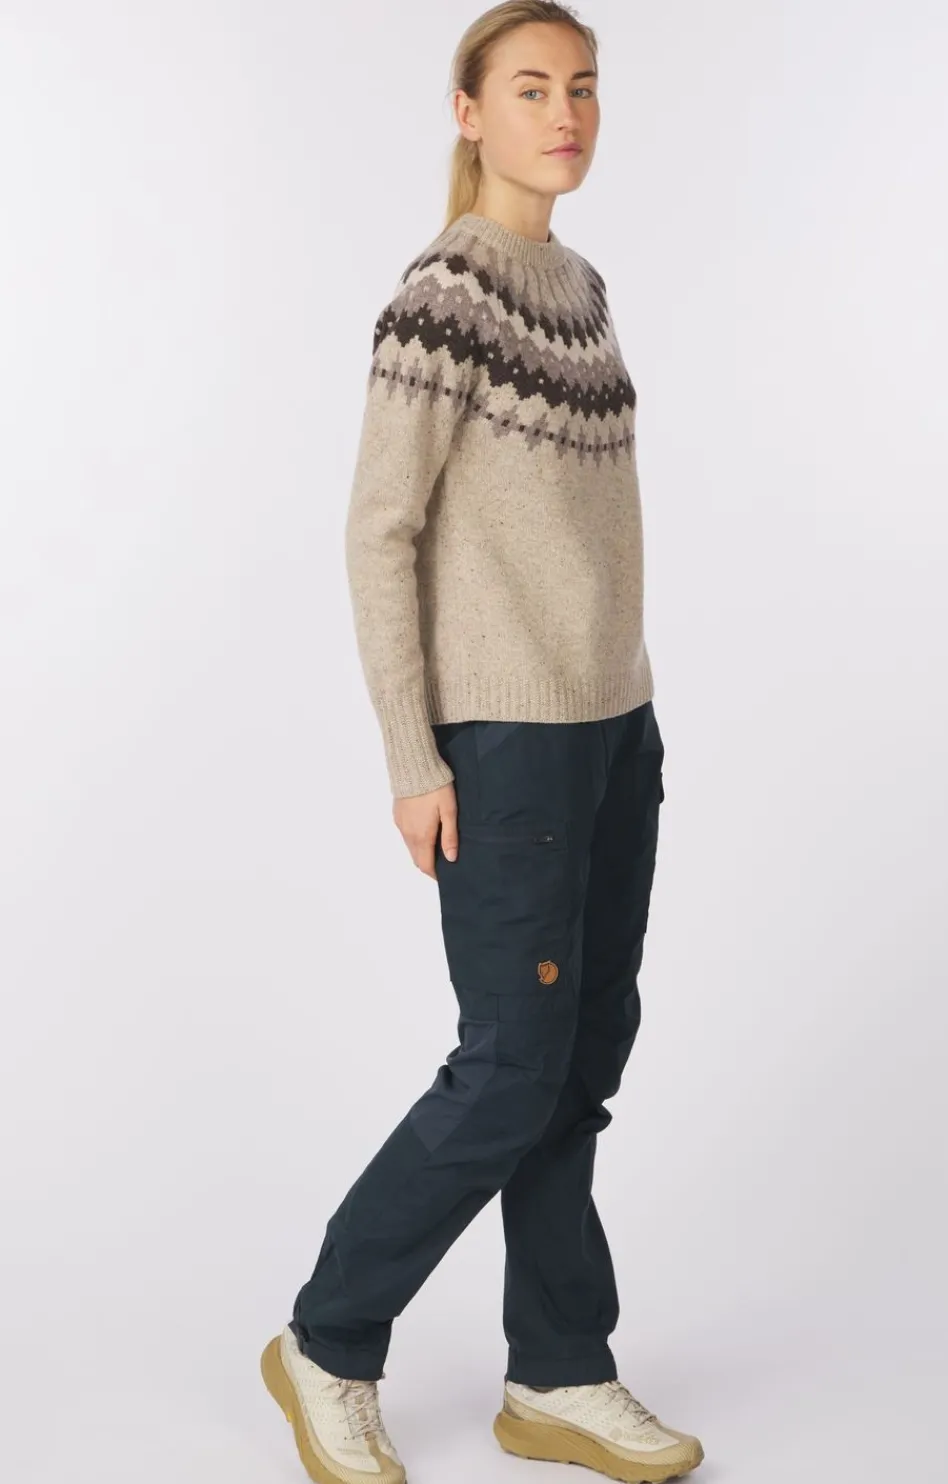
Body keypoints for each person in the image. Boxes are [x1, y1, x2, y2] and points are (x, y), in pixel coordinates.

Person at [260, 4, 705, 1481]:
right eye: (529, 88)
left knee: (579, 1064)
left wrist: (630, 709)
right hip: (505, 740)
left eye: (582, 87)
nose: (564, 114)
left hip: (614, 726)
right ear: (469, 113)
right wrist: (414, 756)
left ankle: (559, 1373)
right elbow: (379, 530)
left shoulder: (580, 284)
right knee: (509, 1067)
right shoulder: (445, 292)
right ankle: (327, 1341)